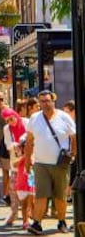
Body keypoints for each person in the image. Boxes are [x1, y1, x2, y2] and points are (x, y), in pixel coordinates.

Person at [25, 90, 76, 235]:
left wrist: (73, 154)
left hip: (60, 164)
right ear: (39, 103)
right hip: (41, 163)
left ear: (53, 101)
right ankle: (37, 223)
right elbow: (29, 142)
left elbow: (74, 137)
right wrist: (28, 161)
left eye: (48, 101)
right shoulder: (34, 118)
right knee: (41, 194)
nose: (45, 104)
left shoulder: (64, 117)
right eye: (42, 101)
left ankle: (61, 221)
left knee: (60, 196)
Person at [1, 107, 28, 226]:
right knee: (13, 187)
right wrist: (15, 145)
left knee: (29, 188)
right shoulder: (7, 129)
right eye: (7, 120)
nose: (10, 122)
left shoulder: (26, 122)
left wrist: (22, 142)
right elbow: (8, 145)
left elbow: (32, 137)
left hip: (29, 160)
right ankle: (14, 211)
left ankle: (27, 217)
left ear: (15, 115)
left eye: (11, 119)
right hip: (16, 160)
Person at [13, 135, 35, 230]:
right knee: (24, 204)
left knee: (33, 203)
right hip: (22, 184)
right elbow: (14, 164)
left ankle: (35, 221)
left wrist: (30, 156)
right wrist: (24, 157)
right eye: (25, 146)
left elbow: (33, 163)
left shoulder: (34, 157)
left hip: (31, 183)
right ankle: (25, 221)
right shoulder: (21, 157)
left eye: (30, 146)